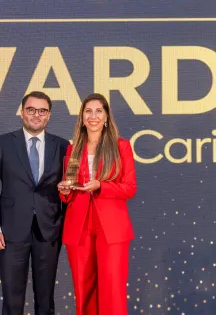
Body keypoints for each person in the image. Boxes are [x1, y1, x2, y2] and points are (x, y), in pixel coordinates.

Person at [0, 91, 71, 315]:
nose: (36, 115)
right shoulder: (3, 143)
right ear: (22, 112)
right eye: (31, 110)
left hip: (49, 230)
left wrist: (66, 226)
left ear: (49, 115)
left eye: (42, 111)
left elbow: (69, 190)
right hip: (11, 231)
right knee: (12, 300)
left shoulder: (62, 146)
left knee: (46, 298)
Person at [57, 93, 137, 315]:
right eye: (88, 111)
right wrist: (65, 190)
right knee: (83, 288)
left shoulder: (121, 147)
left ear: (106, 117)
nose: (93, 116)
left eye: (98, 111)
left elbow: (130, 188)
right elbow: (70, 188)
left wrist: (101, 186)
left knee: (112, 289)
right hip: (79, 226)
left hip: (111, 227)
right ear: (82, 117)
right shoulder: (73, 150)